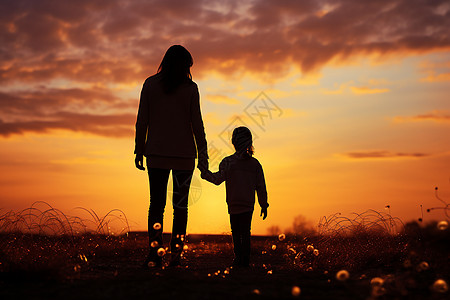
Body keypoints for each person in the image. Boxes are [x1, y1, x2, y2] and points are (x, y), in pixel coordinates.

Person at [134, 45, 208, 268]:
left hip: (156, 154)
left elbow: (142, 120)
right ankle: (176, 255)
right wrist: (203, 155)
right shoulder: (190, 88)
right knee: (180, 208)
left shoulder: (150, 84)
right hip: (184, 156)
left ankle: (155, 254)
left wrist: (139, 148)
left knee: (156, 206)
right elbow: (197, 125)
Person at [200, 126, 268, 267]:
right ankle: (245, 260)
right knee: (245, 232)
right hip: (248, 205)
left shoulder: (228, 162)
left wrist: (205, 173)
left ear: (234, 143)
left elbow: (218, 179)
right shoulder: (255, 165)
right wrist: (264, 204)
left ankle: (238, 259)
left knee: (236, 233)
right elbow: (261, 187)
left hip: (233, 204)